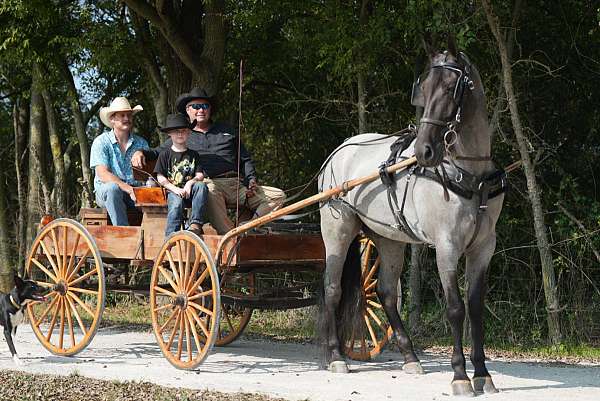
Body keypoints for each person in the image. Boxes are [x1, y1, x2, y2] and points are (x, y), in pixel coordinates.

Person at [132, 88, 286, 234]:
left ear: (210, 109)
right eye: (196, 106)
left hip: (236, 185)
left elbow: (245, 159)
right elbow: (158, 152)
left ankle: (248, 227)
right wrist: (140, 152)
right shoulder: (183, 134)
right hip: (209, 184)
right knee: (208, 189)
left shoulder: (227, 130)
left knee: (278, 196)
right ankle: (230, 235)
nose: (201, 110)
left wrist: (251, 180)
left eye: (205, 106)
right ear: (188, 110)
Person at [90, 97, 149, 225]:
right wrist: (128, 189)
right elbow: (103, 174)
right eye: (122, 115)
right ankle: (122, 232)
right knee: (112, 189)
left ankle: (156, 238)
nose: (127, 119)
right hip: (107, 193)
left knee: (155, 192)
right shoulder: (101, 142)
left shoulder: (142, 143)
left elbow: (147, 175)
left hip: (135, 194)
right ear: (112, 119)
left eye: (129, 115)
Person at [154, 114, 208, 236]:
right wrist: (175, 189)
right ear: (169, 134)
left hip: (190, 193)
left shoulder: (194, 154)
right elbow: (160, 177)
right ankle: (171, 236)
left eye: (183, 131)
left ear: (189, 132)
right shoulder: (165, 154)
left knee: (201, 186)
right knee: (176, 203)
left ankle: (195, 224)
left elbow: (200, 175)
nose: (180, 134)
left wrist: (190, 183)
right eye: (176, 131)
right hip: (173, 192)